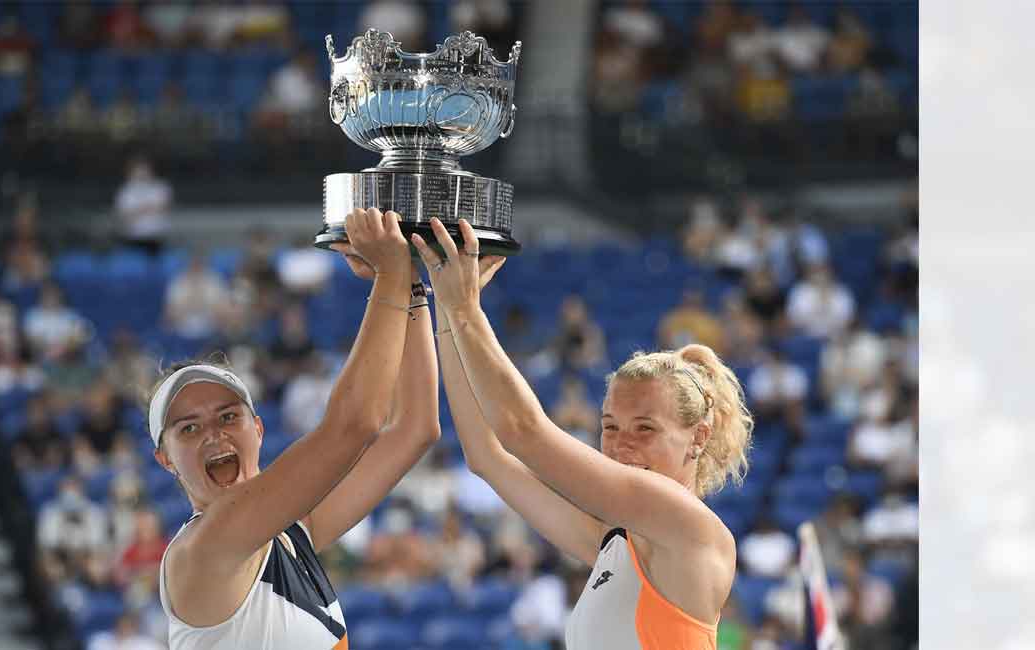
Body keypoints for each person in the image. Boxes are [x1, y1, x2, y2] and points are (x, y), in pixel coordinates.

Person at [413, 218, 753, 649]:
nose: (621, 444)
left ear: (699, 437)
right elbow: (487, 456)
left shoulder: (689, 526)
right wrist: (445, 308)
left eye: (645, 428)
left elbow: (521, 431)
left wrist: (466, 311)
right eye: (609, 427)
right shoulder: (613, 545)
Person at [151, 208, 439, 649]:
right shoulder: (204, 547)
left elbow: (415, 428)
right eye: (188, 428)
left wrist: (411, 284)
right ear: (165, 458)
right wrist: (390, 273)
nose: (214, 434)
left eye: (229, 417)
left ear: (259, 430)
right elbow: (354, 425)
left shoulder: (290, 535)